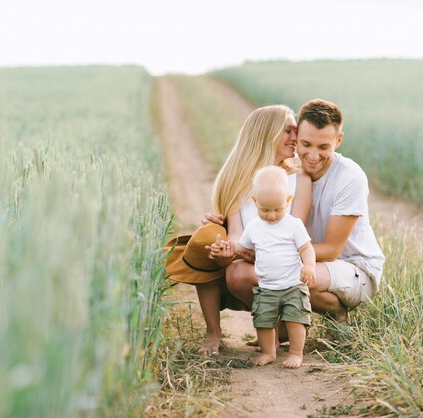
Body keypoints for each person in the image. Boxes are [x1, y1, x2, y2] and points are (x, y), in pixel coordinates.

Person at [208, 98, 385, 324]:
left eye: (323, 147)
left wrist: (267, 251)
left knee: (292, 276)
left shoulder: (349, 177)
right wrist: (220, 222)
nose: (312, 155)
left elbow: (331, 250)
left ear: (338, 140)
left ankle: (335, 312)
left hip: (354, 267)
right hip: (302, 256)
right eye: (306, 144)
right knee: (244, 274)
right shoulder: (287, 173)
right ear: (296, 138)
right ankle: (281, 327)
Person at [165, 105, 312, 356]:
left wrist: (260, 251)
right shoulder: (238, 178)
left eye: (295, 131)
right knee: (206, 247)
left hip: (282, 260)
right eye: (287, 131)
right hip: (247, 257)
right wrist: (227, 249)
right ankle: (214, 333)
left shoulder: (300, 178)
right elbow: (235, 231)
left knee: (239, 272)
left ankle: (279, 326)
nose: (294, 138)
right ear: (266, 133)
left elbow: (295, 230)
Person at [209, 166, 316, 368]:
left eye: (278, 209)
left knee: (296, 320)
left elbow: (306, 248)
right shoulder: (254, 226)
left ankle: (295, 353)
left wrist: (309, 265)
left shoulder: (293, 225)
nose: (272, 215)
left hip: (293, 285)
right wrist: (227, 247)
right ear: (255, 201)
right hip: (266, 287)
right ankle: (269, 352)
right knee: (263, 322)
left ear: (287, 200)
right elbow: (242, 246)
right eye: (265, 210)